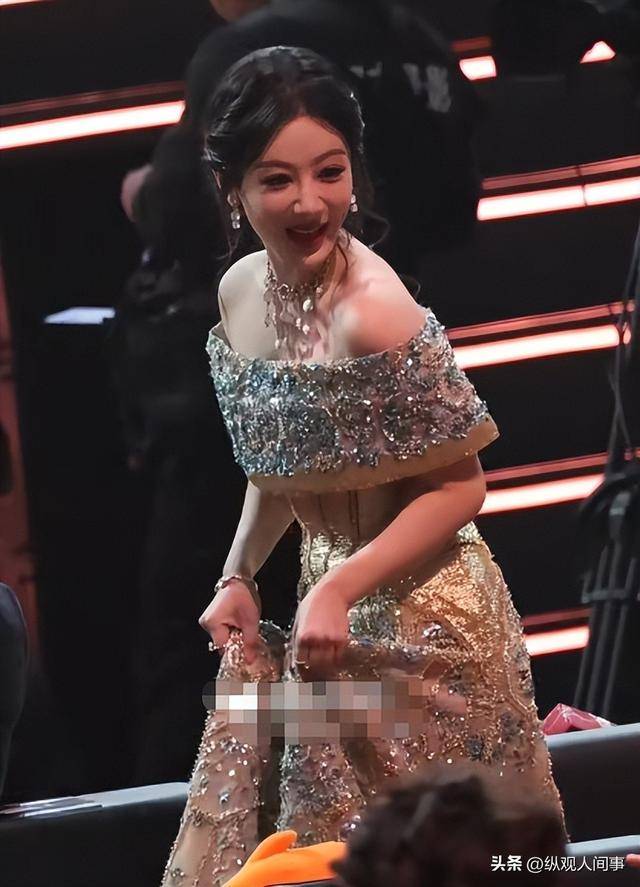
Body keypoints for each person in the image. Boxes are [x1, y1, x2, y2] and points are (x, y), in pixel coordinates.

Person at [159, 46, 564, 887]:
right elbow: (280, 462)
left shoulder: (375, 311)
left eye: (330, 172)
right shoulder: (241, 293)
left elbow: (463, 484)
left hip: (431, 622)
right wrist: (239, 574)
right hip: (327, 622)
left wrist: (339, 587)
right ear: (231, 187)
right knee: (324, 857)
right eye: (278, 180)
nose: (310, 202)